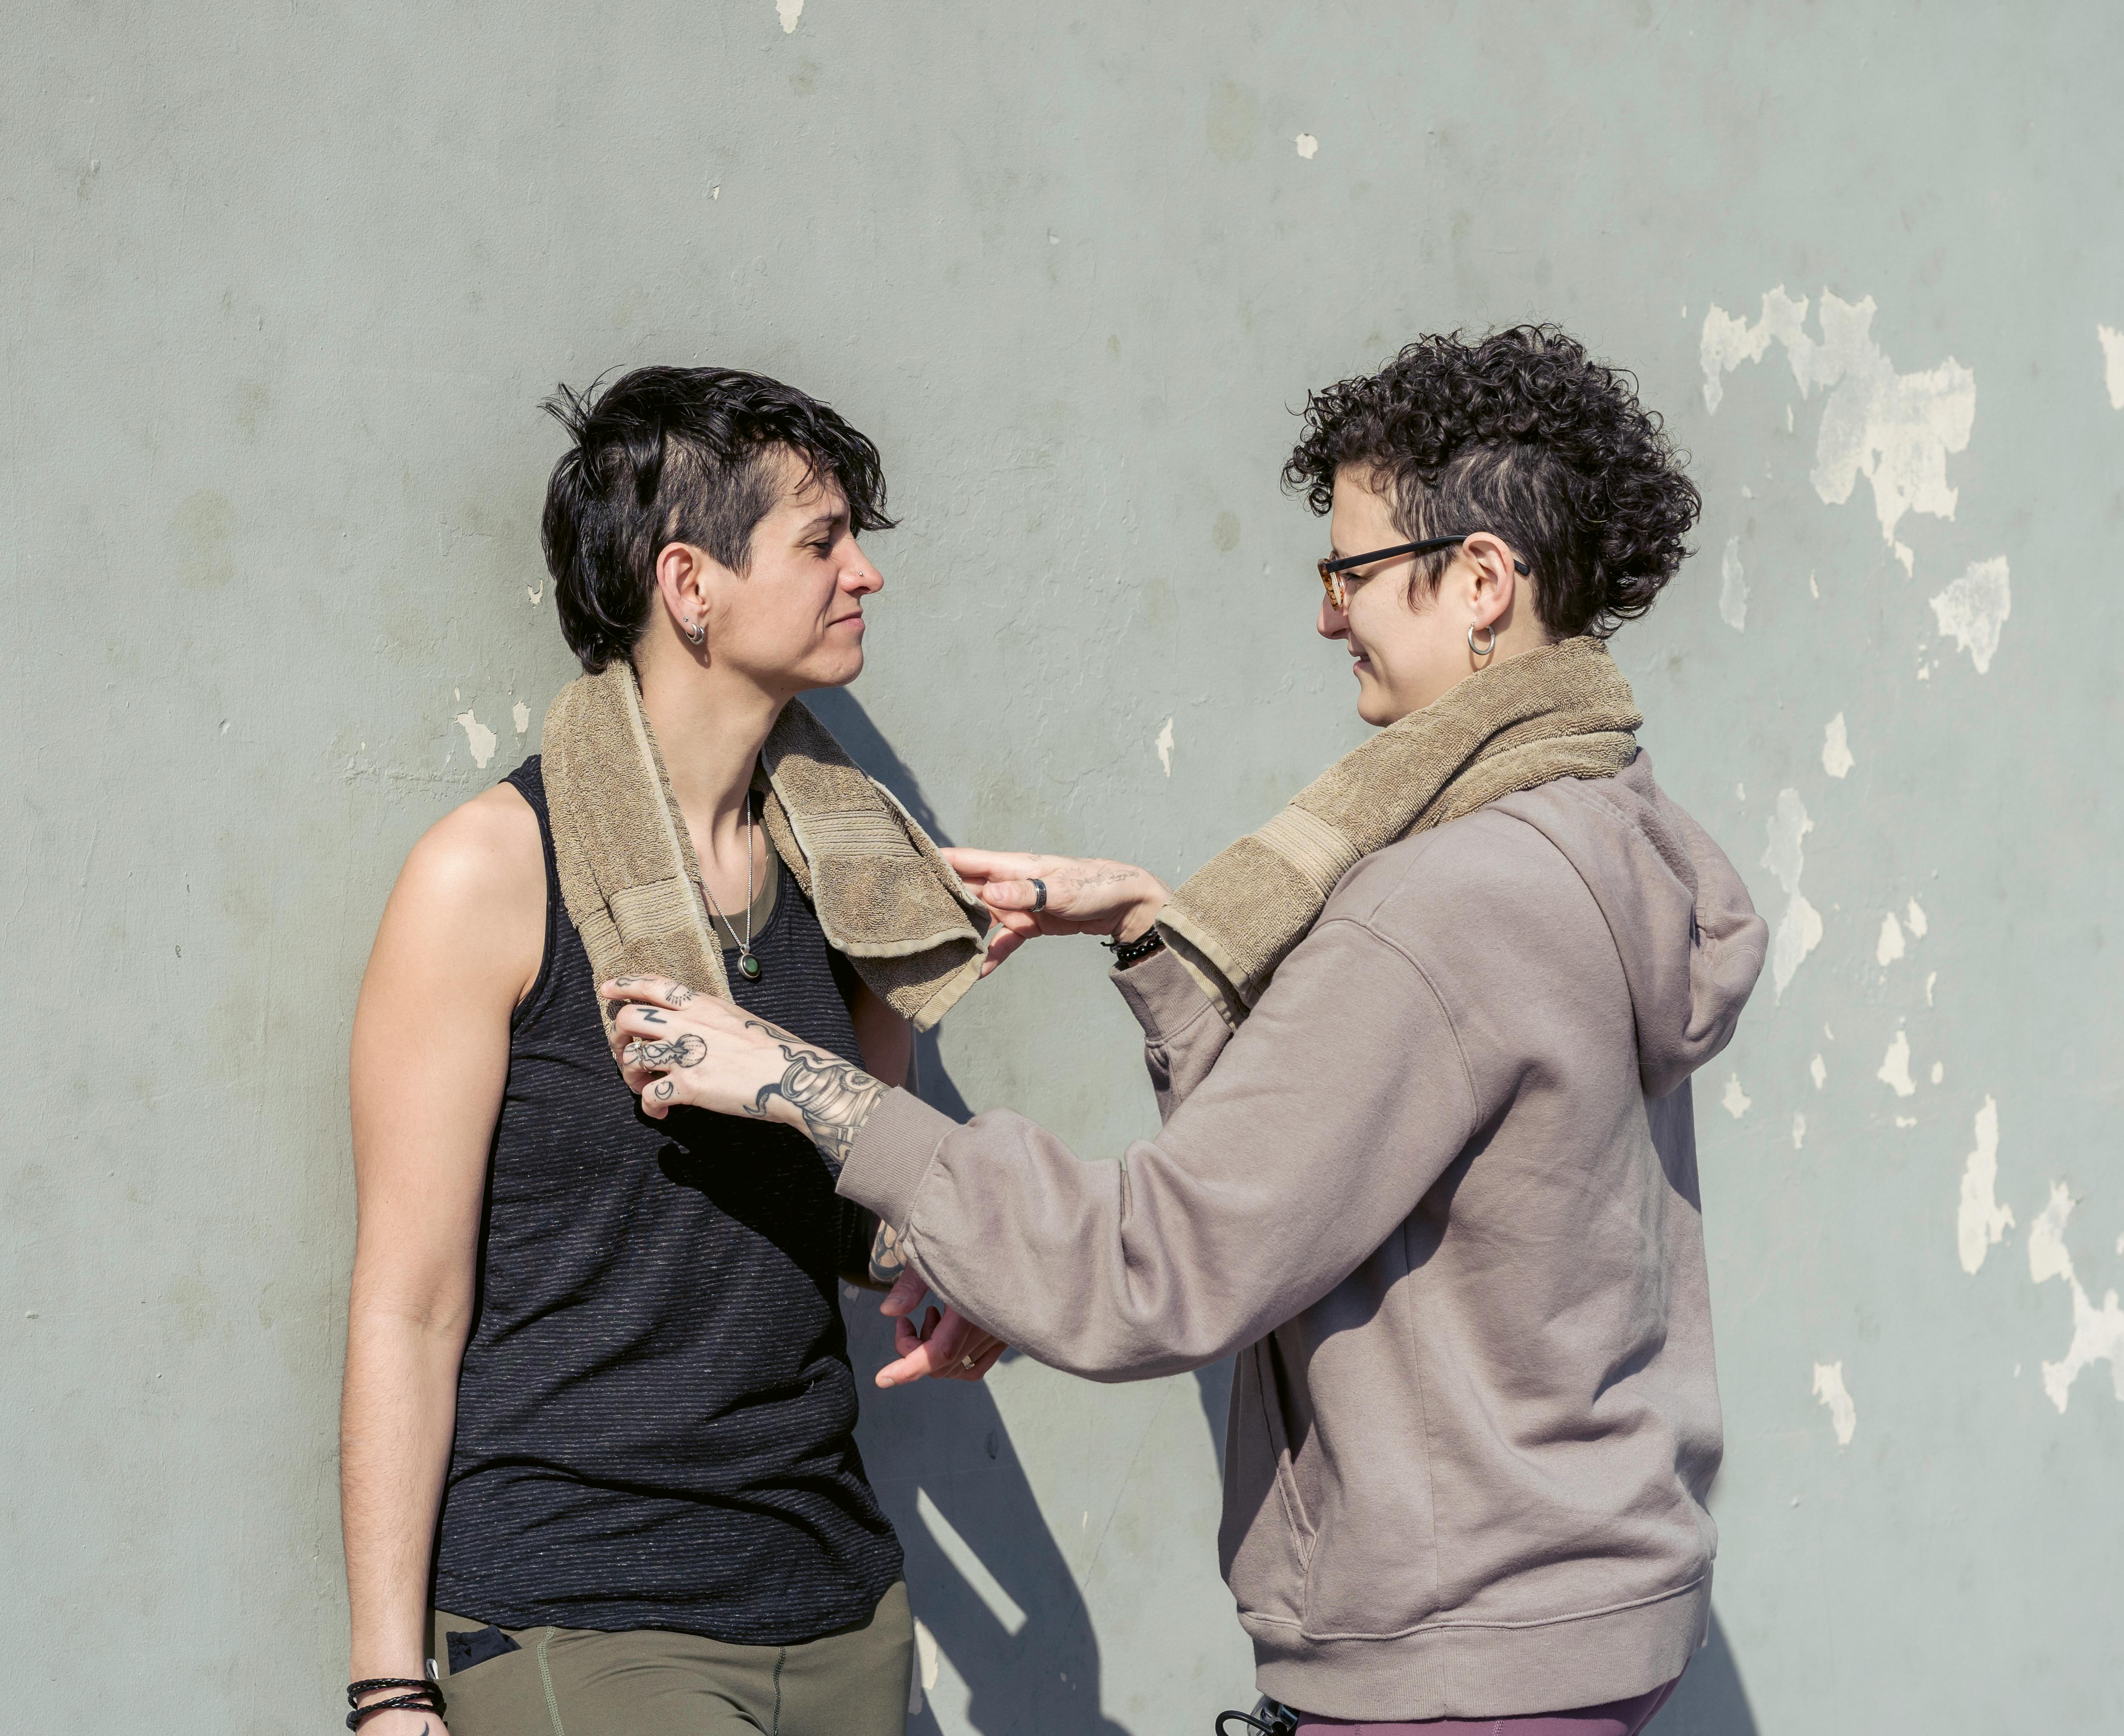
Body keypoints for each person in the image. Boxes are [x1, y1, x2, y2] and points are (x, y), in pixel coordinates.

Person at [603, 326, 1770, 1736]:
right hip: (1581, 1626)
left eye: (1348, 573)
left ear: (1476, 583)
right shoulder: (1596, 830)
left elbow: (1162, 1266)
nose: (1328, 617)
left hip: (1456, 1666)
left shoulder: (1447, 903)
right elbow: (1339, 1171)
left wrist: (811, 1090)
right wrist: (1158, 929)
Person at [339, 365, 1006, 1736]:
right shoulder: (489, 875)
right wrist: (387, 1686)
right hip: (586, 1620)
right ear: (689, 584)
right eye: (822, 541)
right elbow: (406, 1307)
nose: (865, 574)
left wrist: (944, 1265)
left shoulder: (850, 874)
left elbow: (855, 1206)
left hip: (835, 1607)